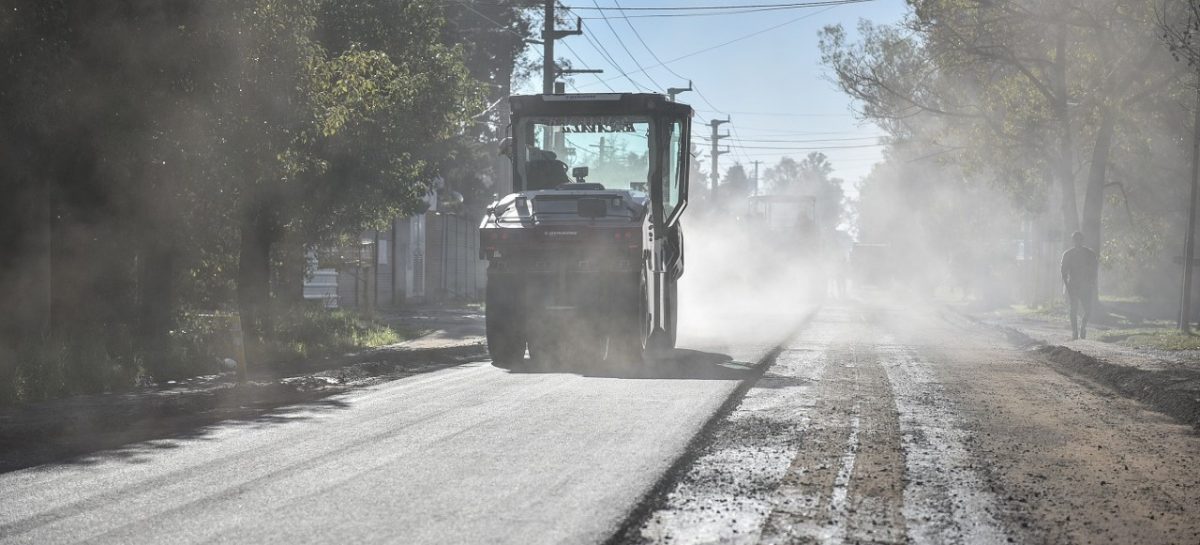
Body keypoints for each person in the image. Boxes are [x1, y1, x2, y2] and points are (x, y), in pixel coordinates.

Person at [1061, 231, 1099, 340]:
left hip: (1086, 285)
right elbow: (1063, 271)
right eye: (1075, 240)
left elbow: (1094, 268)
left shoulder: (1090, 253)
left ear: (1082, 240)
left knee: (1088, 309)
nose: (1077, 242)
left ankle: (1083, 326)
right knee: (1073, 309)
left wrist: (1092, 281)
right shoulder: (1068, 254)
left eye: (1079, 239)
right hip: (1073, 285)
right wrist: (1066, 285)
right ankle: (1074, 331)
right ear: (1073, 241)